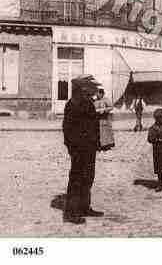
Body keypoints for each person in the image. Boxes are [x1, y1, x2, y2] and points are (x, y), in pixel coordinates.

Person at [62, 74, 104, 224]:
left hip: (89, 148)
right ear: (83, 88)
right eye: (92, 87)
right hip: (79, 149)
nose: (95, 89)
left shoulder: (87, 102)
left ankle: (84, 207)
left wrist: (98, 143)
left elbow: (92, 124)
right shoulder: (73, 104)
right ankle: (71, 213)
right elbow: (67, 129)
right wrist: (72, 148)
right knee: (77, 179)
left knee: (88, 177)